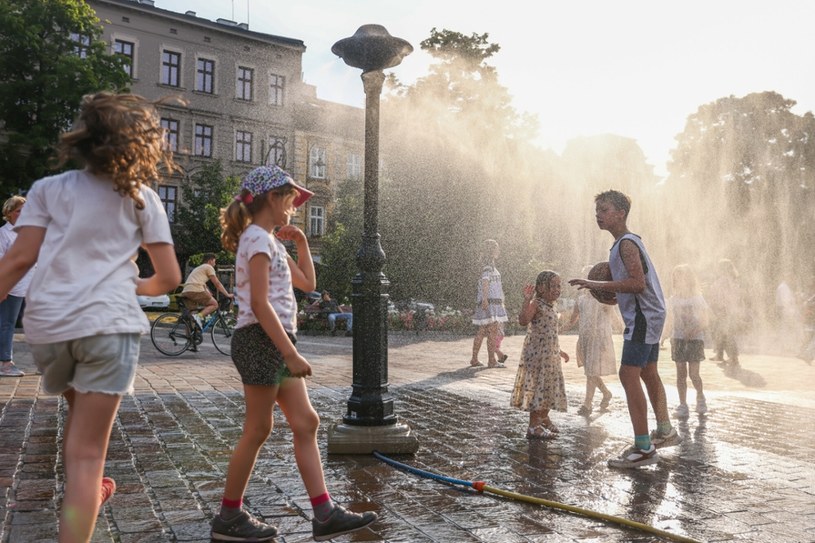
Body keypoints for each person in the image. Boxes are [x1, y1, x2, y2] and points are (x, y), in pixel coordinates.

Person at [0, 92, 181, 542]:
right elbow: (169, 277)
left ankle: (91, 492)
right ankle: (86, 498)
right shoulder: (141, 199)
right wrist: (130, 287)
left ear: (83, 139)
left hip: (50, 328)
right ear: (141, 145)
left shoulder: (46, 189)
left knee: (79, 424)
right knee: (86, 455)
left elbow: (19, 260)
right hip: (108, 327)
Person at [214, 164, 377, 542]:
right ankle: (228, 516)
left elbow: (307, 282)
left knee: (305, 422)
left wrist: (301, 243)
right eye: (290, 200)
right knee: (258, 428)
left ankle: (324, 513)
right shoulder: (256, 239)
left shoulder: (269, 241)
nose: (294, 208)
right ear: (273, 198)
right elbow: (258, 302)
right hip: (261, 341)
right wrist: (289, 353)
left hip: (271, 340)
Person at [569, 190, 679, 469]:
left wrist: (596, 285)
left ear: (621, 213)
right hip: (651, 314)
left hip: (643, 317)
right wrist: (612, 290)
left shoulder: (626, 245)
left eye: (604, 210)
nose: (598, 215)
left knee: (627, 374)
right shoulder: (626, 243)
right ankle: (665, 431)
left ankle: (643, 448)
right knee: (648, 371)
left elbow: (637, 283)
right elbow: (633, 285)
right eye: (597, 210)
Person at [510, 271, 570, 439]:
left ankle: (543, 417)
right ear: (542, 288)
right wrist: (526, 299)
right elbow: (523, 320)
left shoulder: (552, 306)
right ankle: (533, 426)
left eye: (559, 286)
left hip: (550, 356)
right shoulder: (536, 304)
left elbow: (552, 334)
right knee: (538, 388)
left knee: (550, 387)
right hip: (537, 356)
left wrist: (559, 351)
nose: (558, 289)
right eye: (554, 286)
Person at [565, 265, 617, 416]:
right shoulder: (580, 300)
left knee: (591, 372)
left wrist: (627, 329)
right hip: (585, 339)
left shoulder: (604, 300)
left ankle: (587, 405)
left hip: (599, 339)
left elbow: (615, 319)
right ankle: (606, 393)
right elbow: (573, 319)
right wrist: (559, 329)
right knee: (590, 372)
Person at [664, 264, 709, 418]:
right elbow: (670, 321)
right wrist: (663, 336)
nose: (678, 280)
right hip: (678, 339)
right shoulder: (673, 300)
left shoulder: (697, 299)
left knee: (694, 374)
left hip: (695, 340)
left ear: (689, 279)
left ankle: (700, 397)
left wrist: (694, 330)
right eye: (676, 277)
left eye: (681, 276)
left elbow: (705, 321)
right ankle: (683, 404)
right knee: (681, 374)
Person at [0, 196, 35, 377]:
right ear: (9, 212)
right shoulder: (3, 233)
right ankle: (5, 363)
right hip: (12, 287)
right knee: (7, 325)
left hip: (32, 287)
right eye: (18, 210)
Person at [470, 239, 509, 368]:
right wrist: (485, 299)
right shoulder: (488, 267)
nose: (498, 250)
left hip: (491, 302)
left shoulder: (488, 265)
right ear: (491, 250)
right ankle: (491, 360)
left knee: (482, 331)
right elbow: (486, 282)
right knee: (492, 332)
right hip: (491, 303)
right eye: (496, 248)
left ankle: (475, 359)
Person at [181, 253, 233, 328]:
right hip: (196, 289)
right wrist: (227, 294)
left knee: (192, 314)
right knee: (214, 304)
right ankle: (198, 317)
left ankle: (190, 337)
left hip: (186, 291)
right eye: (214, 261)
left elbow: (203, 284)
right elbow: (217, 284)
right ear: (210, 261)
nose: (215, 264)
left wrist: (209, 294)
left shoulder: (199, 268)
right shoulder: (208, 267)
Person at [707, 258, 742, 367]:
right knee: (720, 332)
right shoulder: (732, 279)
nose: (717, 269)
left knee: (727, 334)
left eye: (719, 267)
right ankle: (720, 354)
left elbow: (723, 296)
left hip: (724, 311)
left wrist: (720, 307)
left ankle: (733, 358)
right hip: (728, 310)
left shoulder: (725, 280)